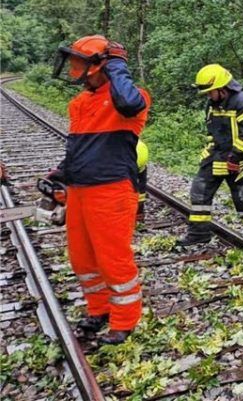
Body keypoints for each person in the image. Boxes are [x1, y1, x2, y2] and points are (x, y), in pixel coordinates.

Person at [48, 35, 151, 344]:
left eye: (79, 61)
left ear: (99, 65)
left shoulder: (133, 99)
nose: (73, 68)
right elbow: (81, 148)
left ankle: (124, 320)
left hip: (111, 190)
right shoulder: (79, 103)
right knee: (82, 258)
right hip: (80, 190)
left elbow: (128, 102)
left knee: (112, 258)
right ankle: (99, 309)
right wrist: (61, 174)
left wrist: (117, 66)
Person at [178, 64, 243, 246]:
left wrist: (236, 156)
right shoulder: (212, 104)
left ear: (223, 88)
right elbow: (213, 130)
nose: (209, 96)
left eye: (211, 92)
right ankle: (198, 232)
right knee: (199, 191)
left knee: (242, 196)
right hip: (218, 155)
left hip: (241, 158)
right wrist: (210, 150)